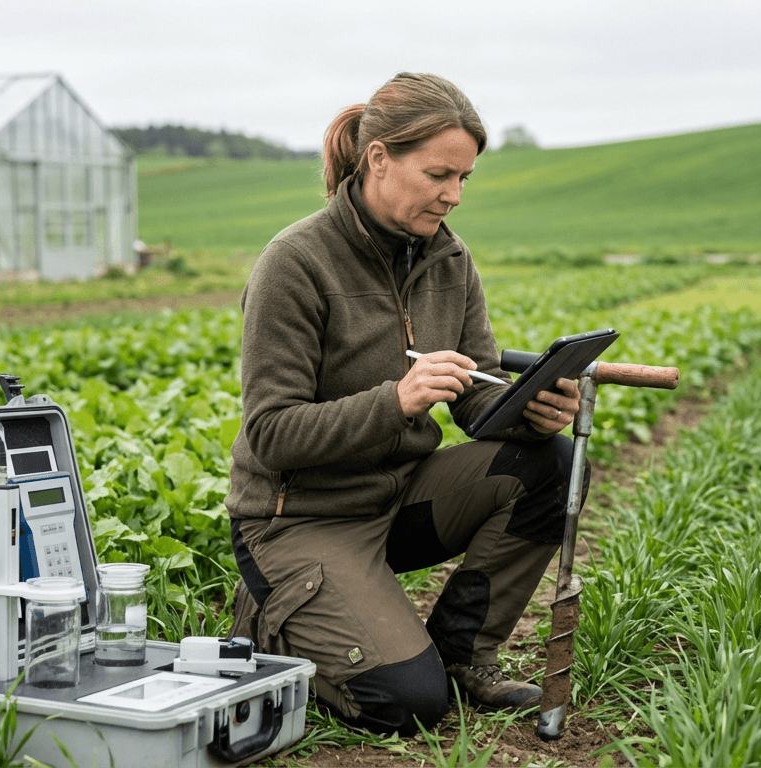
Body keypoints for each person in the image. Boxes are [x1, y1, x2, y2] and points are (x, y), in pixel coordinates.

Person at [224, 72, 585, 737]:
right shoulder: (296, 262)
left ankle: (462, 655)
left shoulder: (449, 259)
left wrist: (529, 408)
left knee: (550, 464)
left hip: (396, 501)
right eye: (438, 174)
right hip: (298, 521)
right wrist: (395, 401)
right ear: (379, 158)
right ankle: (274, 613)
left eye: (463, 179)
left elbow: (475, 395)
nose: (452, 196)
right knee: (406, 703)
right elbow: (271, 434)